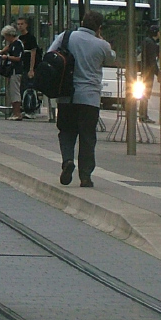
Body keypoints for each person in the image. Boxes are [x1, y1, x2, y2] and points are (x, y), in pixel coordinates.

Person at [50, 10, 114, 188]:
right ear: (99, 27)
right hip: (90, 98)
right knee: (87, 137)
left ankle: (68, 161)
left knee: (66, 132)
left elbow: (50, 54)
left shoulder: (66, 37)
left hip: (66, 95)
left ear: (82, 22)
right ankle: (85, 176)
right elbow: (112, 58)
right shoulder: (101, 45)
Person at [0, 25, 26, 120]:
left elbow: (18, 58)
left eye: (5, 36)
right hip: (11, 71)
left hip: (16, 70)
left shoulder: (18, 44)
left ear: (9, 35)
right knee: (11, 91)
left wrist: (6, 57)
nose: (5, 39)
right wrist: (0, 52)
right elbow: (7, 48)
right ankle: (14, 112)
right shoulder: (12, 44)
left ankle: (17, 113)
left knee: (15, 92)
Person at [16, 16, 41, 119]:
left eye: (22, 24)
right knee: (22, 87)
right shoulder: (18, 38)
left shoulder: (30, 38)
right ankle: (25, 106)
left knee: (29, 87)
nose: (20, 26)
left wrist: (31, 69)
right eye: (18, 24)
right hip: (22, 66)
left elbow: (33, 53)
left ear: (26, 25)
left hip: (30, 67)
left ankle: (31, 108)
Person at [139, 23, 161, 123]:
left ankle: (142, 114)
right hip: (148, 72)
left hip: (144, 71)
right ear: (156, 33)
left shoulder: (146, 41)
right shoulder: (151, 43)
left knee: (144, 94)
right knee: (146, 94)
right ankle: (144, 115)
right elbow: (152, 61)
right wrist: (158, 73)